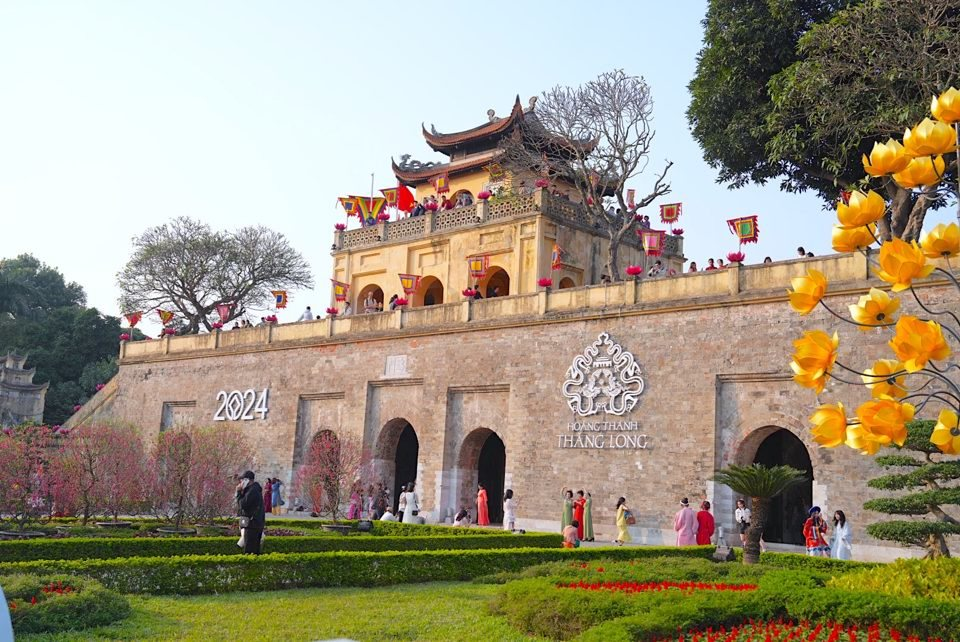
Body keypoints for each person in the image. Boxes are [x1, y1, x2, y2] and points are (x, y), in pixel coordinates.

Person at [236, 470, 265, 555]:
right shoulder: (252, 490)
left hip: (252, 524)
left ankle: (249, 567)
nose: (241, 482)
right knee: (253, 549)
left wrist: (238, 493)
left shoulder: (253, 491)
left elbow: (242, 504)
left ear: (248, 480)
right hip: (254, 523)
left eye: (243, 480)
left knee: (250, 550)